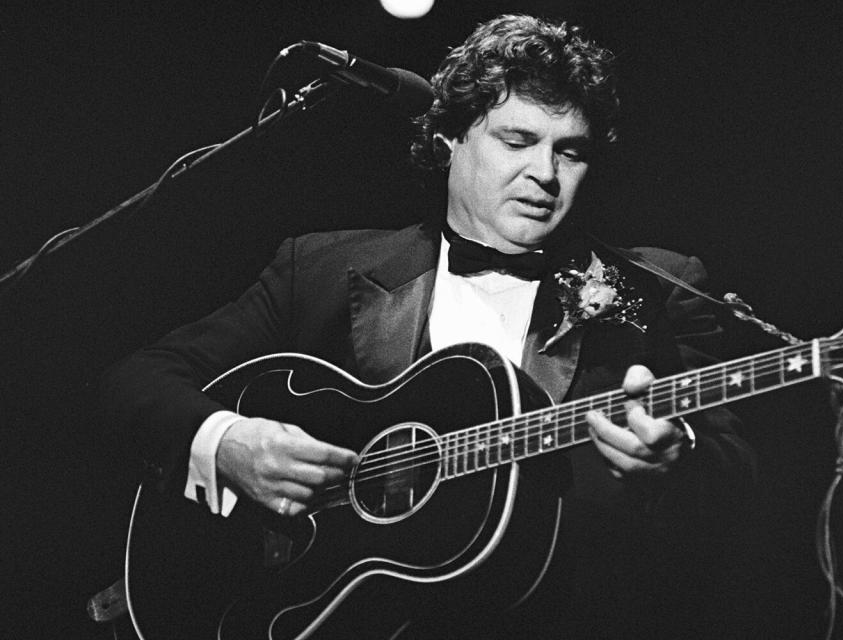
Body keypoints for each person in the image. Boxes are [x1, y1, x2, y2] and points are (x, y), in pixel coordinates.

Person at [102, 14, 760, 639]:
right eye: (517, 140)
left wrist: (677, 459)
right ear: (448, 139)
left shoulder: (653, 289)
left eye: (571, 152)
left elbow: (739, 477)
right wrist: (229, 442)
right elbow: (136, 381)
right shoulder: (321, 269)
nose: (545, 175)